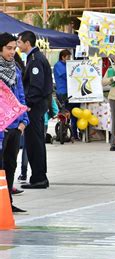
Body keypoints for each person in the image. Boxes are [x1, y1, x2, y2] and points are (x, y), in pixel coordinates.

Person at [17, 30, 52, 189]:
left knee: (34, 143)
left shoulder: (35, 60)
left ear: (27, 43)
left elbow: (36, 86)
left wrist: (28, 104)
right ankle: (38, 175)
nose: (17, 46)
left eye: (19, 42)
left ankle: (39, 177)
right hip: (37, 106)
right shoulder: (34, 58)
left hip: (35, 107)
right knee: (35, 142)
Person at [0, 32, 30, 213]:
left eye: (14, 48)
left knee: (11, 164)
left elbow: (21, 96)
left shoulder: (16, 69)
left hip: (15, 127)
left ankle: (7, 203)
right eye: (8, 48)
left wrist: (23, 121)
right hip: (2, 127)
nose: (12, 52)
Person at [53, 49, 79, 140]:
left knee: (73, 112)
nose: (69, 59)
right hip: (63, 92)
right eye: (68, 57)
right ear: (63, 57)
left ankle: (74, 134)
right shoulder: (59, 65)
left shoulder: (66, 65)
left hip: (71, 92)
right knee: (66, 113)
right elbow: (67, 76)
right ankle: (64, 133)